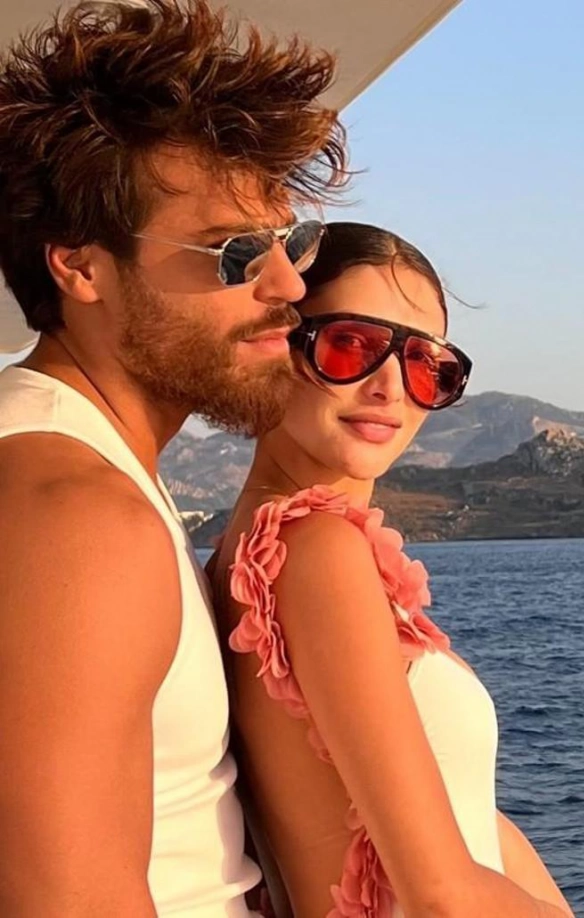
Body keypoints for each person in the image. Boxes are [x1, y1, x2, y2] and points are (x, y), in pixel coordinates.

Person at [0, 0, 348, 914]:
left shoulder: (90, 470)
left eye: (292, 242)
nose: (289, 283)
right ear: (81, 269)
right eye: (233, 254)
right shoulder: (74, 514)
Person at [211, 222, 575, 918]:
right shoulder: (315, 548)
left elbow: (473, 820)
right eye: (350, 345)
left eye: (427, 366)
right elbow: (440, 895)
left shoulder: (249, 556)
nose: (390, 388)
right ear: (279, 341)